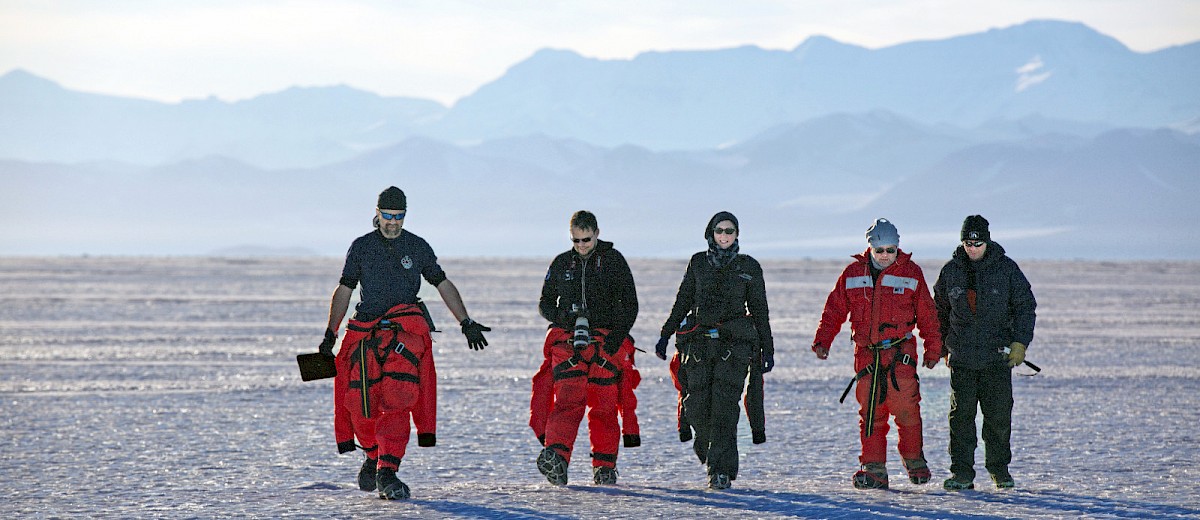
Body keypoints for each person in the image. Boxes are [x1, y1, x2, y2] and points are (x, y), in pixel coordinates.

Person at [316, 186, 491, 500]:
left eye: (399, 217)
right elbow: (344, 289)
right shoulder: (361, 247)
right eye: (388, 216)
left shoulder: (417, 246)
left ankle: (388, 470)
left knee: (399, 399)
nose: (393, 223)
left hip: (405, 334)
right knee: (360, 406)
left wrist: (465, 321)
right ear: (378, 212)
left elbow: (442, 282)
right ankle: (372, 455)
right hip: (367, 332)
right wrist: (331, 334)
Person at [811, 218, 941, 490]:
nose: (885, 256)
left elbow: (928, 314)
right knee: (871, 413)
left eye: (890, 250)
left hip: (900, 355)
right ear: (869, 247)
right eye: (879, 250)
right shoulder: (852, 274)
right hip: (867, 357)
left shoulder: (912, 273)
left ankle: (915, 461)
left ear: (897, 248)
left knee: (907, 410)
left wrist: (933, 349)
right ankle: (873, 469)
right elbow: (834, 310)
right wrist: (824, 340)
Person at [654, 211, 775, 490]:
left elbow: (760, 311)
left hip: (733, 347)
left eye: (729, 231)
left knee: (723, 408)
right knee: (696, 407)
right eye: (719, 230)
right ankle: (710, 455)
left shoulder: (749, 267)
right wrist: (665, 333)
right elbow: (683, 300)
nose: (724, 236)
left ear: (736, 235)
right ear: (711, 233)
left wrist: (767, 349)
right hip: (698, 345)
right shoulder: (698, 263)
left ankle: (720, 471)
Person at [533, 210, 639, 486]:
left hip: (606, 342)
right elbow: (545, 304)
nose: (581, 245)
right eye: (576, 240)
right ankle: (556, 457)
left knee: (603, 404)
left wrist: (616, 340)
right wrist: (565, 318)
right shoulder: (561, 263)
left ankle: (604, 467)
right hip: (569, 342)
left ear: (597, 234)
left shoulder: (614, 262)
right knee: (568, 399)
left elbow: (630, 305)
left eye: (586, 240)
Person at [933, 215, 1037, 490]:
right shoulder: (951, 272)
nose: (973, 248)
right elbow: (939, 312)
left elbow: (1025, 307)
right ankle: (962, 474)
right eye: (968, 243)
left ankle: (999, 471)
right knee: (961, 420)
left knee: (998, 418)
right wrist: (942, 346)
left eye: (977, 243)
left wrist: (1020, 343)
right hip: (963, 360)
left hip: (996, 360)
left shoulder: (1006, 270)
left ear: (987, 241)